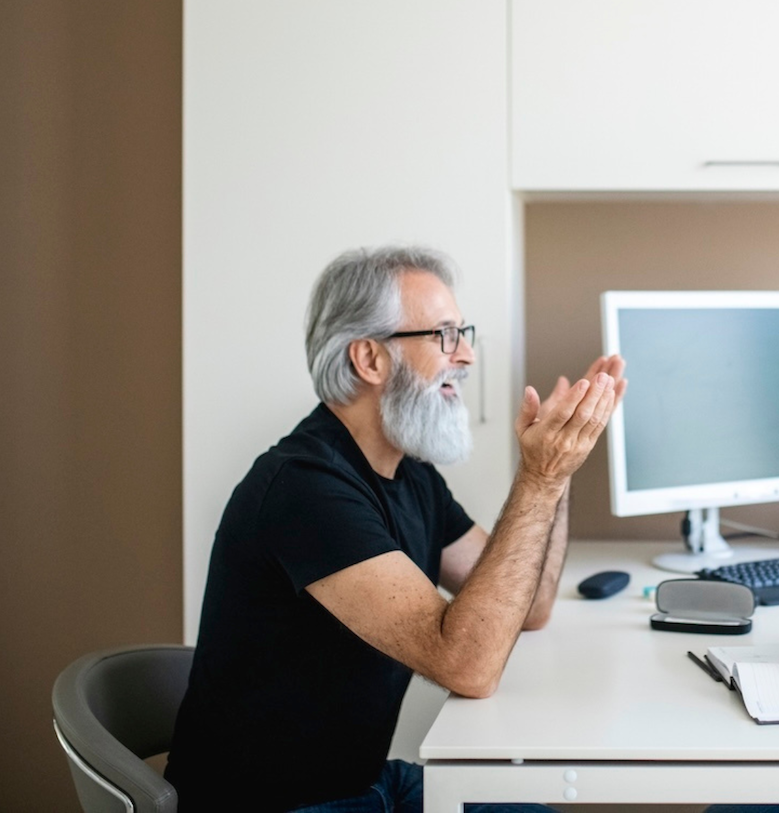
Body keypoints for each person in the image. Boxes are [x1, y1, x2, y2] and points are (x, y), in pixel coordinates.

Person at [165, 246, 626, 812]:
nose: (469, 357)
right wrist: (540, 477)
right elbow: (469, 666)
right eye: (446, 335)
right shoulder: (304, 489)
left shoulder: (410, 475)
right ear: (369, 359)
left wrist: (561, 471)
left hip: (365, 783)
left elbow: (530, 608)